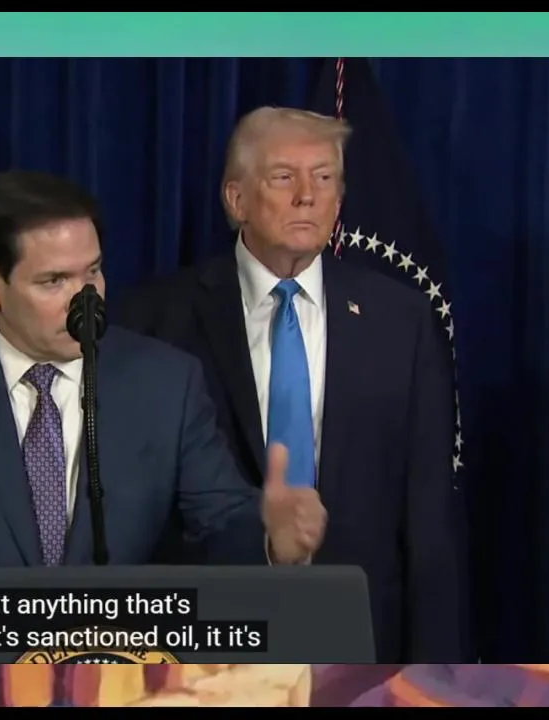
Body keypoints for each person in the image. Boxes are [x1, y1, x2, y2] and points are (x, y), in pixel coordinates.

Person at [0, 170, 329, 594]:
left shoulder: (165, 383)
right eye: (54, 281)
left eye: (93, 273)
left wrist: (270, 539)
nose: (86, 300)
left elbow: (221, 521)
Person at [115, 107, 470, 663]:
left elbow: (428, 516)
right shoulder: (155, 320)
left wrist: (437, 671)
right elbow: (137, 509)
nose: (308, 195)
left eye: (324, 177)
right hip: (209, 640)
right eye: (284, 177)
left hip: (363, 637)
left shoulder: (401, 320)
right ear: (236, 199)